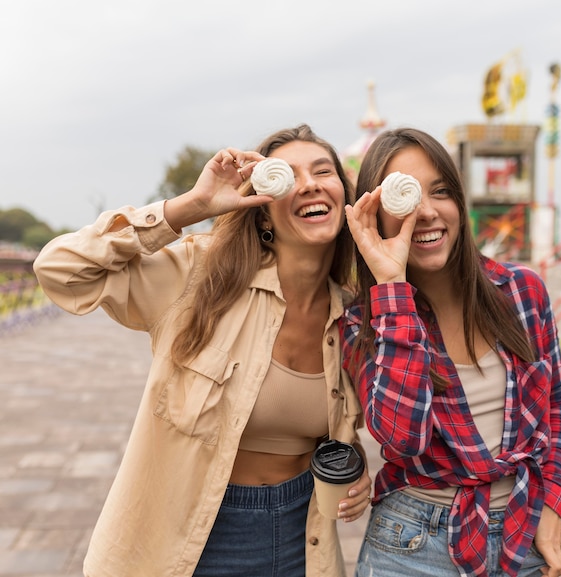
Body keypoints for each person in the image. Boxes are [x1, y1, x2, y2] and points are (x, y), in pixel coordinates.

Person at [34, 124, 371, 577]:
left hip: (304, 538)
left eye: (322, 171)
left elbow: (341, 427)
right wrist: (188, 208)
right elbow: (61, 271)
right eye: (287, 175)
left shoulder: (353, 316)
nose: (309, 183)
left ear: (343, 196)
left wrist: (355, 467)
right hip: (191, 539)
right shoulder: (199, 275)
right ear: (263, 211)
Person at [340, 127, 561, 577]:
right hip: (411, 543)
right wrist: (391, 290)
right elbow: (401, 438)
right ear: (375, 217)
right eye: (404, 199)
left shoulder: (522, 292)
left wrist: (555, 505)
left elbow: (559, 407)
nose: (427, 212)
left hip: (523, 530)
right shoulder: (361, 323)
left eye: (441, 191)